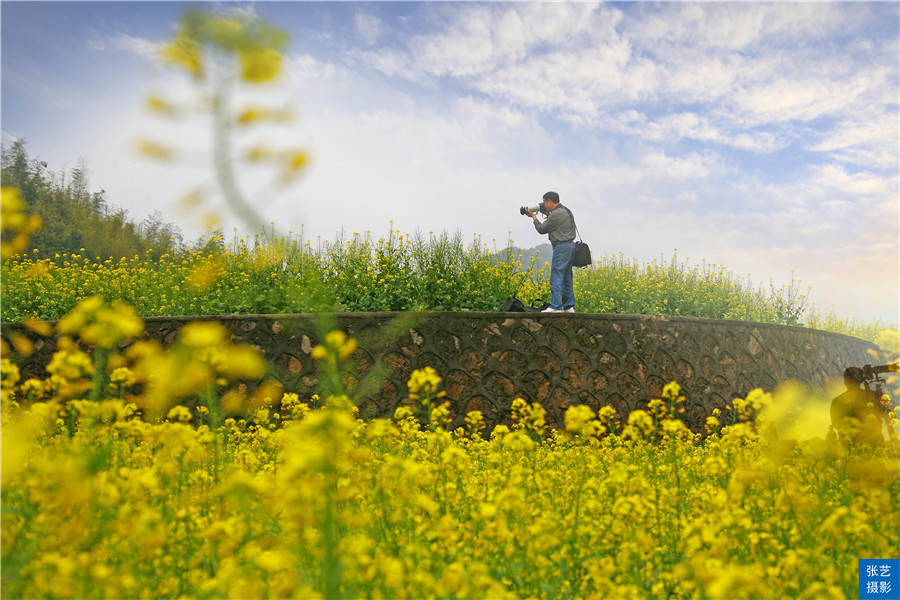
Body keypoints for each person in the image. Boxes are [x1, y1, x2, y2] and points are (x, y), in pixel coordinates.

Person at [525, 191, 577, 313]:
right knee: (567, 278)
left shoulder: (556, 214)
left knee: (556, 276)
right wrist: (547, 214)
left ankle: (555, 306)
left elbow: (542, 229)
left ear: (549, 201)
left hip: (561, 247)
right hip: (570, 246)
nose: (543, 205)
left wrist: (534, 217)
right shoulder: (566, 211)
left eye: (544, 202)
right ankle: (569, 307)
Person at [830, 366, 884, 449]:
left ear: (845, 381)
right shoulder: (873, 395)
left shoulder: (836, 401)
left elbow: (836, 423)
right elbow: (883, 414)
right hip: (873, 446)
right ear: (860, 381)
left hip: (849, 447)